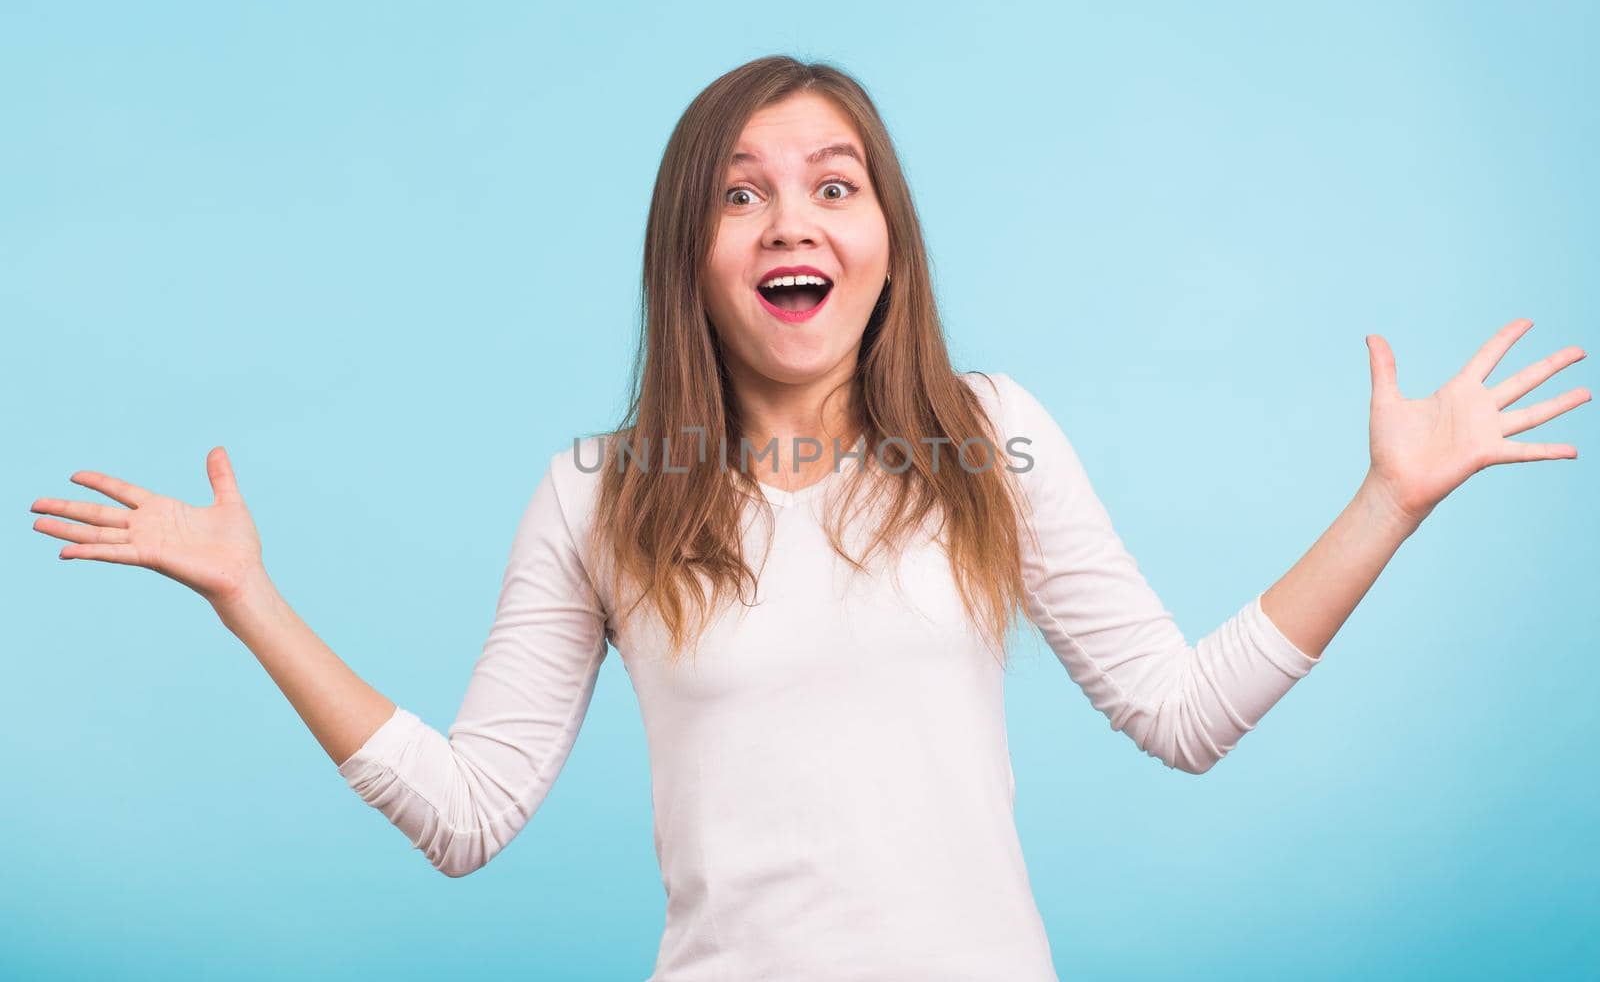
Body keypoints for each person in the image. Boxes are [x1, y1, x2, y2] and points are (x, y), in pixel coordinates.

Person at [30, 55, 1588, 981]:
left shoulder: (993, 439)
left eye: (836, 186)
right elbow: (468, 811)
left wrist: (1387, 503)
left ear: (887, 243)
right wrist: (248, 595)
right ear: (692, 253)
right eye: (741, 192)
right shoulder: (599, 493)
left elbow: (1181, 712)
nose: (793, 219)